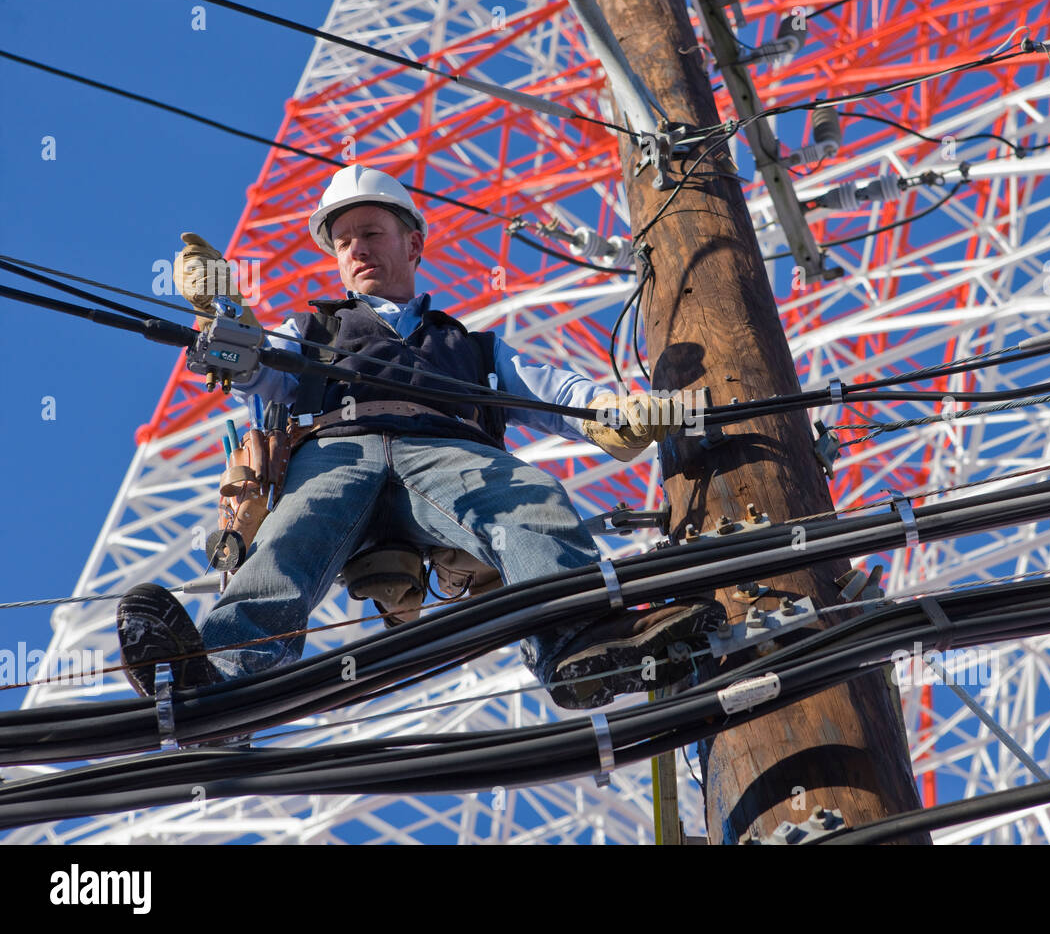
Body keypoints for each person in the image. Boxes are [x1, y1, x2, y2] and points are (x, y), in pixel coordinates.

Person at [115, 163, 721, 712]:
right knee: (287, 545)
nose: (356, 249)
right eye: (343, 241)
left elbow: (552, 392)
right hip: (337, 451)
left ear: (413, 243)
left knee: (530, 500)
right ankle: (219, 679)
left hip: (449, 453)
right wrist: (227, 316)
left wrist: (611, 412)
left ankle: (577, 640)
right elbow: (258, 365)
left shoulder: (471, 345)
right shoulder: (312, 328)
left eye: (371, 233)